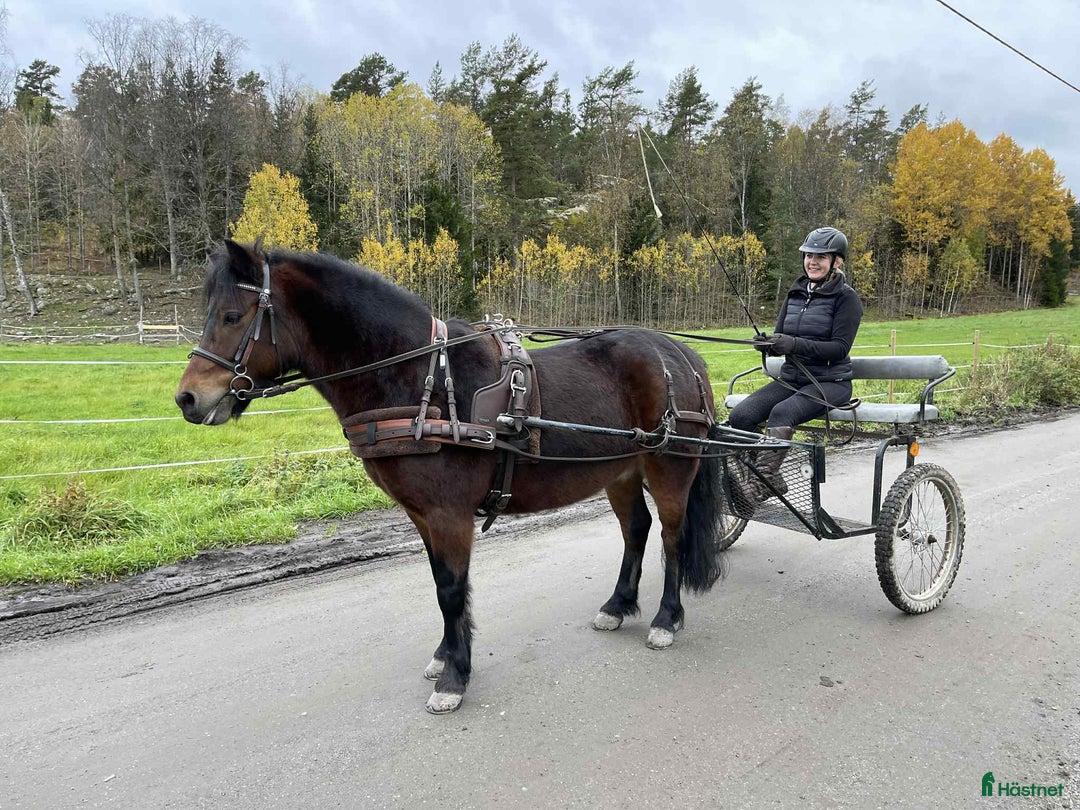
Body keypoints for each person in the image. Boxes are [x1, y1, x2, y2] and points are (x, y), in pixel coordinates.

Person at [727, 226, 863, 505]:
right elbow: (782, 336)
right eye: (808, 255)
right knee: (741, 416)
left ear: (836, 261)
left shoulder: (846, 298)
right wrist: (768, 343)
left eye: (821, 257)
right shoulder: (796, 293)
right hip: (792, 379)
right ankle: (771, 477)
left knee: (781, 413)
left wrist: (794, 345)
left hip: (830, 383)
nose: (812, 261)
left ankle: (757, 487)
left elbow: (839, 349)